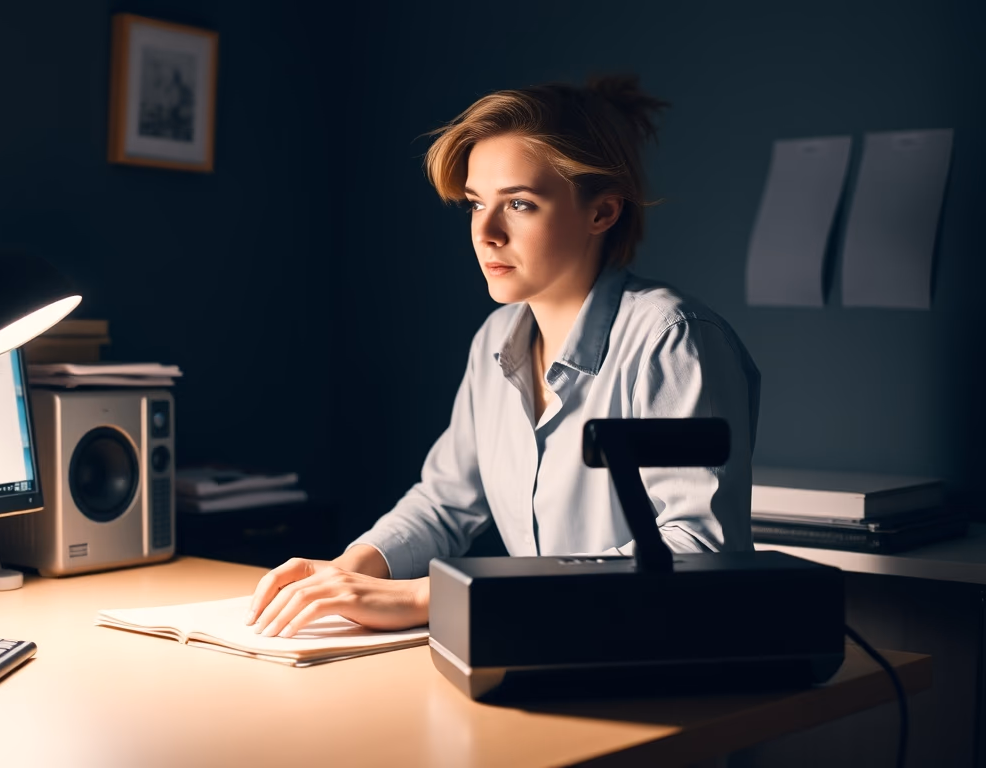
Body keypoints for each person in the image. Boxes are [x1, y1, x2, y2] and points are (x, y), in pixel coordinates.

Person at [246, 75, 760, 638]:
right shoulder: (495, 339)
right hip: (540, 645)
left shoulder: (671, 336)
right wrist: (347, 572)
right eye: (474, 204)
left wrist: (432, 595)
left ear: (602, 212)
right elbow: (444, 503)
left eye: (519, 203)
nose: (485, 232)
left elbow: (696, 548)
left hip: (651, 656)